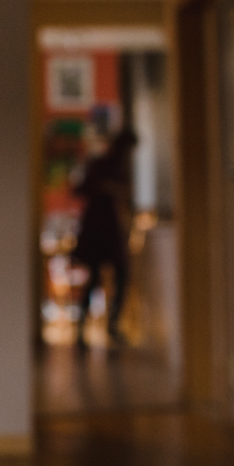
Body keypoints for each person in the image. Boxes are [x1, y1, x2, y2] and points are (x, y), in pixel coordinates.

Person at [73, 128, 138, 352]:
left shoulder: (122, 169)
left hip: (111, 231)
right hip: (96, 230)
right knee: (94, 280)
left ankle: (111, 325)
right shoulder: (100, 164)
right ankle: (81, 331)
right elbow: (79, 190)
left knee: (121, 275)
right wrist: (102, 187)